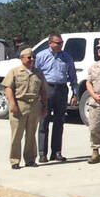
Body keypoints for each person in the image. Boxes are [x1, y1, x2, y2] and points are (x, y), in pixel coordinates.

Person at [34, 32, 78, 162]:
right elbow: (35, 74)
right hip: (47, 89)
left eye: (61, 43)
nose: (60, 45)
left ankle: (56, 152)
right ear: (50, 43)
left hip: (61, 90)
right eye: (58, 43)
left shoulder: (67, 57)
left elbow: (73, 76)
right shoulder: (41, 56)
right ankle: (42, 153)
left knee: (59, 122)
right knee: (44, 121)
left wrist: (74, 93)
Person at [3, 47, 46, 168]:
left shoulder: (38, 73)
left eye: (33, 57)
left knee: (31, 134)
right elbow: (8, 88)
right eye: (29, 57)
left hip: (35, 106)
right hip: (20, 105)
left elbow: (43, 91)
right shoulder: (14, 72)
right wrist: (12, 104)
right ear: (22, 59)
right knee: (17, 134)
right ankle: (15, 160)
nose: (32, 59)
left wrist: (44, 106)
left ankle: (30, 159)